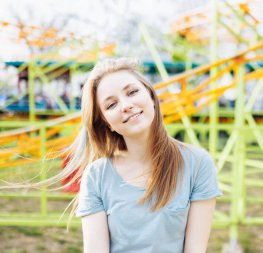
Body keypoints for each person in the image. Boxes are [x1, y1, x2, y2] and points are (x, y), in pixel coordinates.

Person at [64, 57, 222, 253]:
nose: (126, 105)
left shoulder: (198, 164)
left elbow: (195, 249)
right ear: (107, 124)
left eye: (132, 92)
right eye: (111, 105)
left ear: (151, 97)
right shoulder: (96, 176)